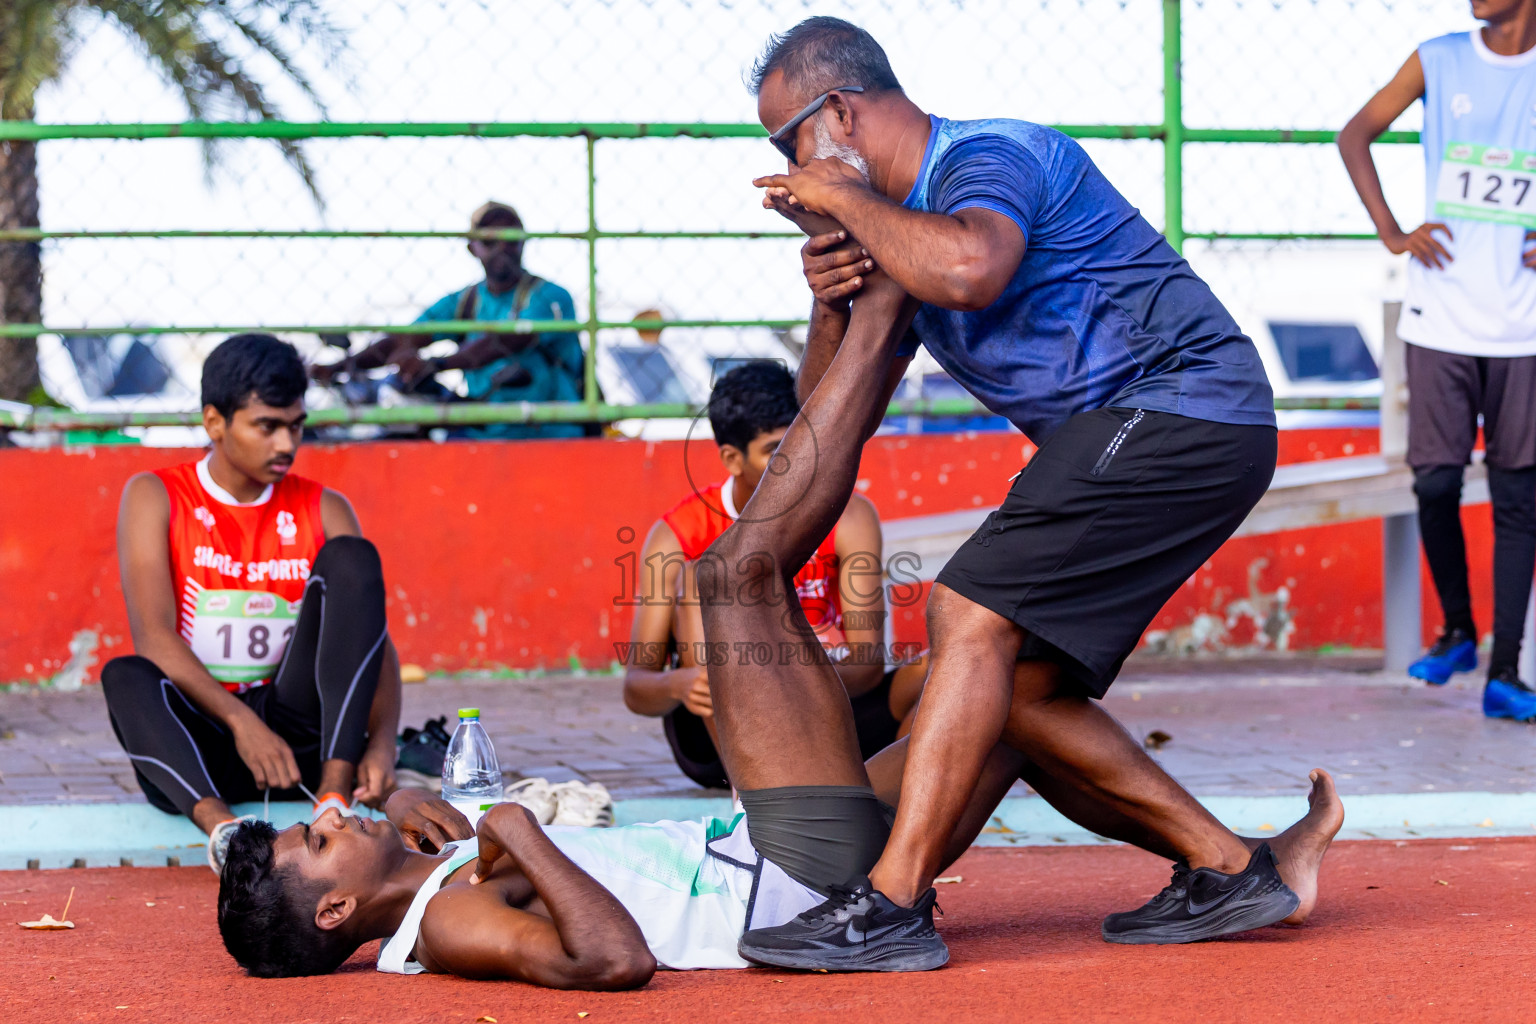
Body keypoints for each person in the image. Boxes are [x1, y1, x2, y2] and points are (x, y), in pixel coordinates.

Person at [698, 17, 1344, 969]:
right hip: (1141, 437)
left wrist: (846, 201)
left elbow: (972, 264)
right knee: (1016, 691)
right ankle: (1233, 870)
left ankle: (892, 906)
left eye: (786, 142)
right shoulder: (896, 231)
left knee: (968, 610)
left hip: (1184, 406)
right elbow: (827, 408)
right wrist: (831, 288)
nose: (785, 170)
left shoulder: (986, 159)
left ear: (837, 114)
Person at [104, 334, 403, 872]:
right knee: (126, 674)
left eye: (296, 425)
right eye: (267, 426)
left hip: (301, 743)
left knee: (355, 559)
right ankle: (223, 833)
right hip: (202, 743)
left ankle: (332, 803)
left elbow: (371, 637)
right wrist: (243, 724)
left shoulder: (323, 507)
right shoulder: (156, 495)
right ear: (215, 422)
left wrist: (382, 745)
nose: (286, 443)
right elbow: (154, 636)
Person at [1338, 0, 1536, 718]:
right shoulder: (1440, 57)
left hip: (1525, 328)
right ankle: (1458, 629)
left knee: (1519, 500)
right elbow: (1354, 133)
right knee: (1435, 482)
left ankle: (1505, 674)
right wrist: (1391, 230)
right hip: (1441, 317)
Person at [621, 359, 928, 788]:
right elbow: (637, 688)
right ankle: (753, 802)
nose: (793, 465)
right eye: (774, 452)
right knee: (700, 577)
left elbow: (867, 666)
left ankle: (880, 800)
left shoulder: (849, 516)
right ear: (732, 458)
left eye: (799, 447)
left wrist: (789, 678)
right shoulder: (677, 534)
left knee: (938, 675)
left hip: (829, 712)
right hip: (725, 731)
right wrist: (679, 683)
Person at [334, 200, 586, 439]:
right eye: (490, 240)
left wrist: (437, 364)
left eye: (511, 239)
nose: (503, 247)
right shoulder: (464, 301)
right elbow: (405, 338)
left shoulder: (550, 296)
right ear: (472, 247)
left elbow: (507, 341)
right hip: (482, 434)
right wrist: (340, 367)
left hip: (550, 432)